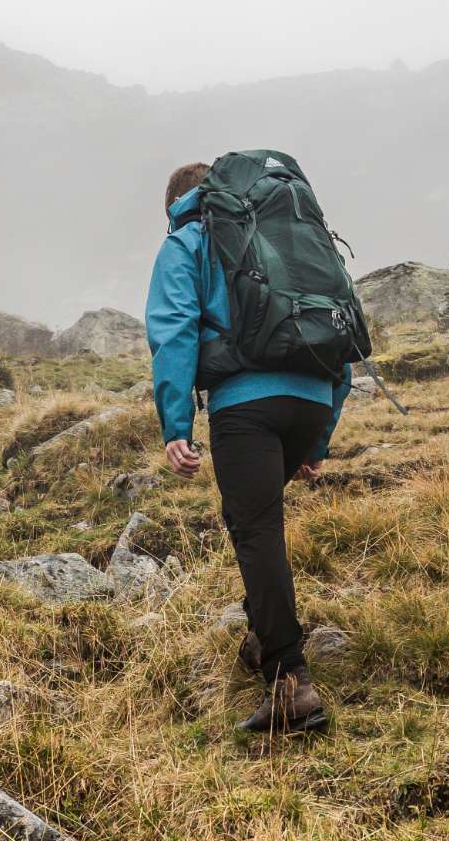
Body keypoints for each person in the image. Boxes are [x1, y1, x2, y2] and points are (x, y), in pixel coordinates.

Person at [147, 160, 352, 734]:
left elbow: (173, 330)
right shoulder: (288, 234)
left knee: (257, 530)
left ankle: (291, 683)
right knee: (248, 519)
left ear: (179, 206)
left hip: (246, 406)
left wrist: (177, 424)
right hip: (309, 399)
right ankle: (263, 637)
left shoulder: (188, 239)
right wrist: (319, 437)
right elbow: (338, 322)